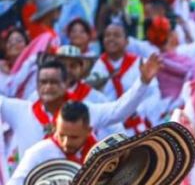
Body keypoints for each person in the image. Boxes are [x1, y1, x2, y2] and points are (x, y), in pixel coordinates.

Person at [0, 58, 159, 165]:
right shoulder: (20, 111)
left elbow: (118, 111)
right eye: (43, 82)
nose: (48, 87)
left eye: (54, 82)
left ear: (65, 83)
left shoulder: (83, 111)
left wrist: (143, 82)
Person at [88, 23, 162, 133]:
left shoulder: (141, 64)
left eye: (116, 35)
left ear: (127, 41)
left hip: (135, 124)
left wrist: (138, 110)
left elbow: (154, 94)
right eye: (107, 35)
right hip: (108, 127)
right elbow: (93, 97)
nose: (111, 39)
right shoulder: (97, 66)